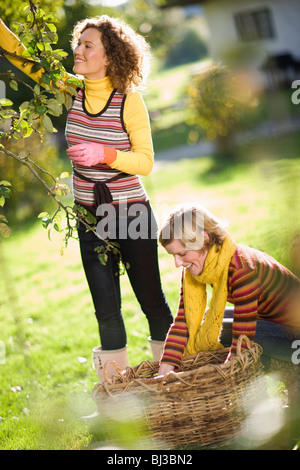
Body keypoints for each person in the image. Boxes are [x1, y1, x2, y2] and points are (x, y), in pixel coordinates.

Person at [0, 16, 173, 381]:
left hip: (131, 214)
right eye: (78, 43)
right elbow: (25, 58)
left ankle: (173, 379)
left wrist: (104, 153)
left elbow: (146, 162)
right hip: (89, 217)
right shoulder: (71, 88)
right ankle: (117, 394)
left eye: (86, 45)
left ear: (108, 57)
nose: (76, 50)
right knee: (106, 310)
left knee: (152, 303)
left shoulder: (129, 100)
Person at [157, 203, 300, 376]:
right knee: (205, 320)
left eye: (182, 254)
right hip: (273, 322)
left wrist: (222, 374)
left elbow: (243, 337)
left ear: (204, 239)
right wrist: (164, 371)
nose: (177, 263)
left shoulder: (242, 269)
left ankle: (257, 376)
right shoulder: (199, 266)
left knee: (218, 330)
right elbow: (184, 320)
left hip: (294, 337)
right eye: (173, 255)